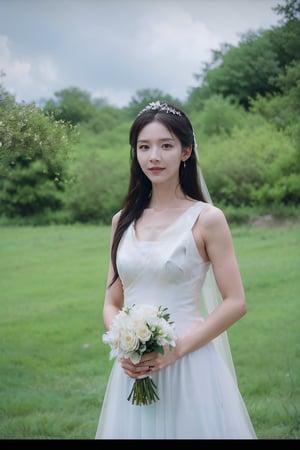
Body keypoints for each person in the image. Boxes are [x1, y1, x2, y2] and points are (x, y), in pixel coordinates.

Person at [95, 100, 256, 439]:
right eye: (144, 146)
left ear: (186, 151)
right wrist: (125, 346)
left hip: (190, 365)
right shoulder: (121, 221)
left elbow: (235, 301)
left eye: (166, 145)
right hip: (133, 371)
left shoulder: (207, 219)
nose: (154, 156)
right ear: (135, 154)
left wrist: (175, 350)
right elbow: (112, 303)